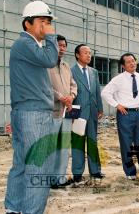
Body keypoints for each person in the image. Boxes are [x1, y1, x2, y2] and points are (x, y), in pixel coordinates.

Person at [5, 1, 58, 214]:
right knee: (39, 165)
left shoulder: (30, 46)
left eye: (49, 23)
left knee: (22, 163)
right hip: (34, 114)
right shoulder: (25, 43)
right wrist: (52, 36)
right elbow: (50, 59)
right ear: (27, 24)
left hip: (25, 112)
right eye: (42, 22)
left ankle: (14, 208)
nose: (46, 27)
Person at [101, 53, 139, 180]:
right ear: (123, 66)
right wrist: (117, 105)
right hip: (125, 114)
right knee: (126, 144)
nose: (132, 63)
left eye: (133, 61)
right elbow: (105, 93)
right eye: (129, 62)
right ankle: (130, 172)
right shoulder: (118, 79)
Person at [70, 44, 104, 184]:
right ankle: (77, 172)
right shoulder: (70, 71)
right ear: (77, 55)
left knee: (92, 141)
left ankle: (95, 170)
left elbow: (97, 92)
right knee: (78, 142)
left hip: (92, 111)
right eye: (85, 53)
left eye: (90, 53)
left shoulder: (93, 72)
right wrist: (71, 113)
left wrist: (100, 108)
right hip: (78, 112)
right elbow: (69, 91)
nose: (89, 55)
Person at [48, 35, 77, 188]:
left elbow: (73, 85)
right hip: (52, 113)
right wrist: (60, 97)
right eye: (59, 45)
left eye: (64, 46)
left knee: (64, 147)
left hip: (66, 113)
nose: (62, 48)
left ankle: (60, 179)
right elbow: (44, 86)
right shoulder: (45, 65)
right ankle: (50, 179)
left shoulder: (66, 67)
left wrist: (71, 96)